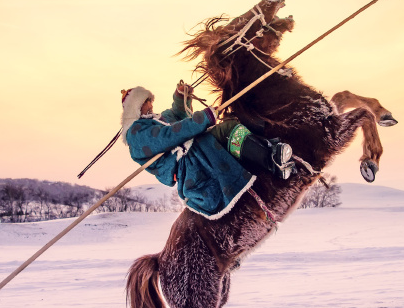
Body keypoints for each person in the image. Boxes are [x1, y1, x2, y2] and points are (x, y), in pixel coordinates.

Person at [120, 83, 293, 220]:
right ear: (135, 107)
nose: (150, 104)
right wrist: (205, 117)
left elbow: (176, 114)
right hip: (189, 165)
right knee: (226, 129)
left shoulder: (156, 120)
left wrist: (180, 97)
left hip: (196, 152)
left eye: (150, 100)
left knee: (232, 119)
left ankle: (269, 145)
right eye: (145, 102)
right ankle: (273, 161)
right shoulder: (136, 134)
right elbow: (169, 135)